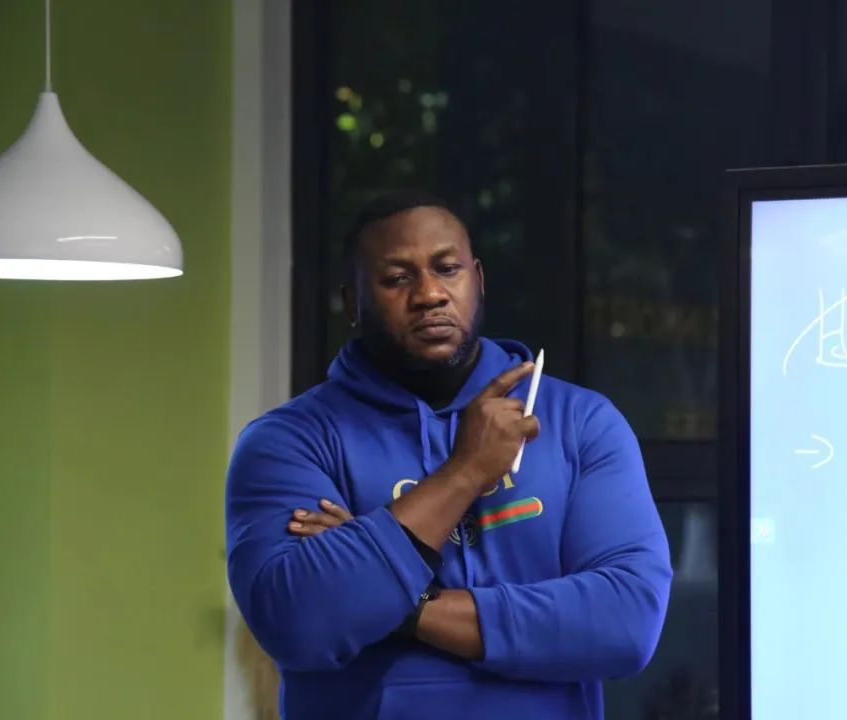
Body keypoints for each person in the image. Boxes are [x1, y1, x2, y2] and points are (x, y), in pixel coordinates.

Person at [225, 190, 673, 720]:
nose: (430, 294)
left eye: (447, 269)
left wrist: (401, 601)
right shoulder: (288, 442)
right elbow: (302, 623)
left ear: (477, 280)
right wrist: (466, 470)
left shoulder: (580, 422)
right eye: (397, 278)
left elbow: (625, 623)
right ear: (352, 303)